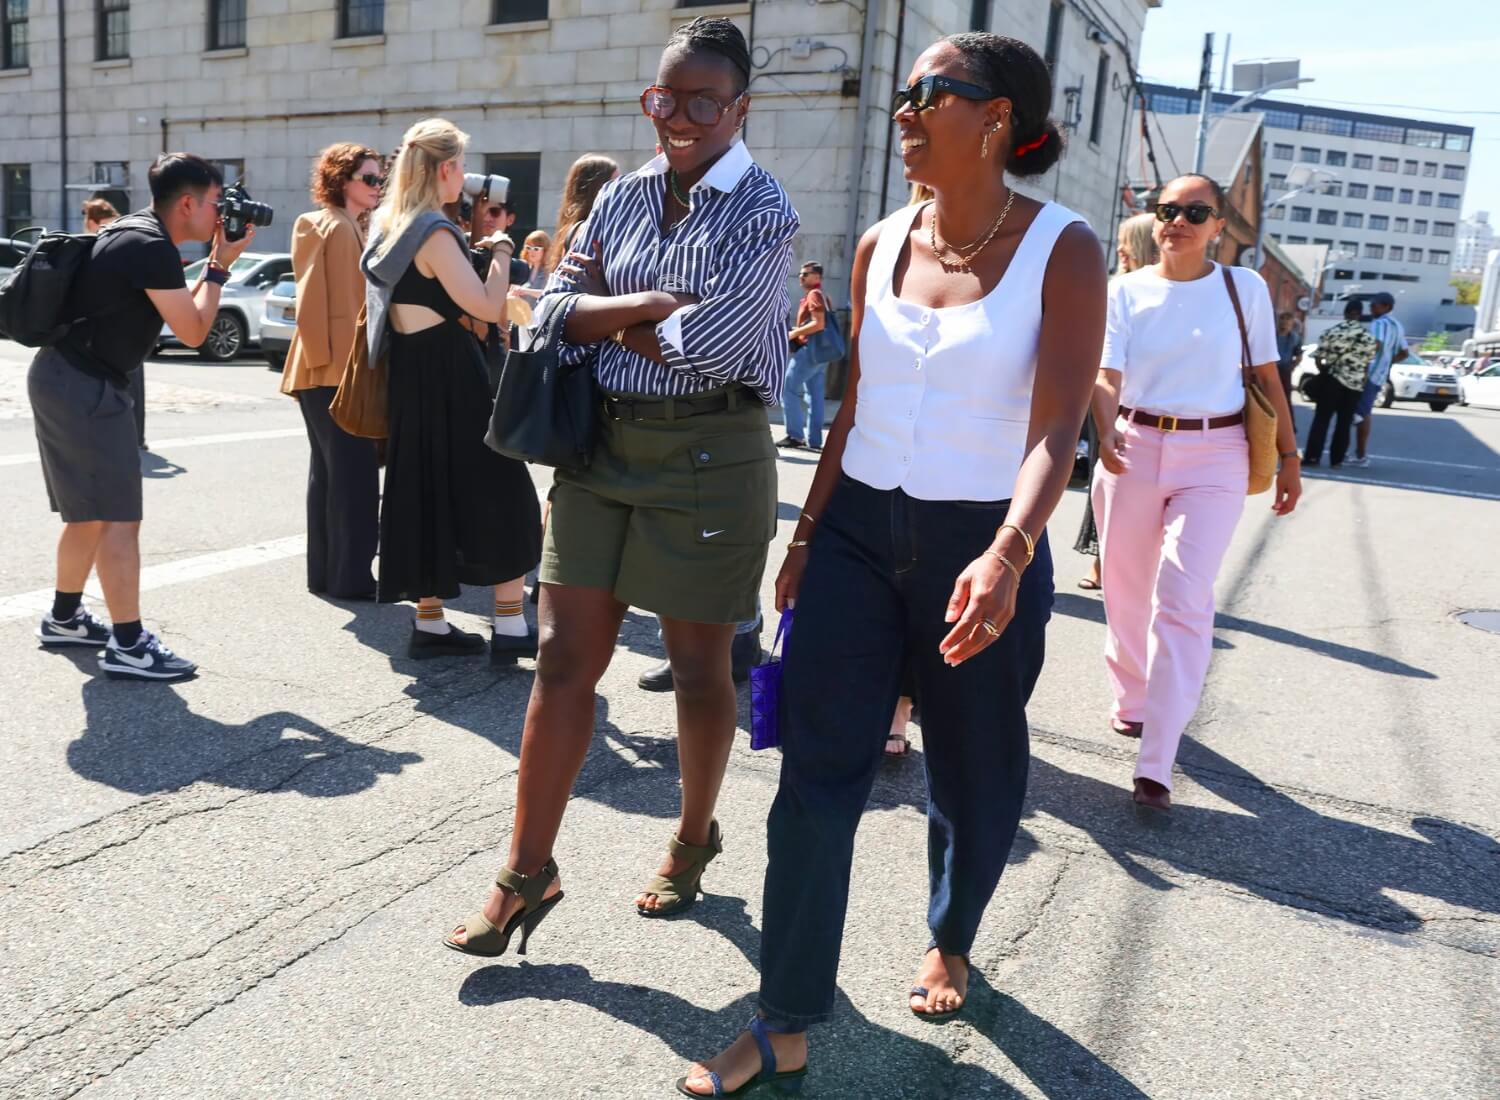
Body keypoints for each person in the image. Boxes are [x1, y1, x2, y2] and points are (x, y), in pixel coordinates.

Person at [682, 32, 1105, 1094]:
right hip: (861, 536)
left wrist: (1011, 552)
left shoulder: (1064, 246)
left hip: (983, 541)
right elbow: (859, 404)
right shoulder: (879, 243)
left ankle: (951, 932)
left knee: (972, 773)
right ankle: (784, 1017)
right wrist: (810, 532)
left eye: (931, 92)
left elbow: (1057, 428)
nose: (906, 109)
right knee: (815, 775)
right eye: (908, 91)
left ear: (997, 116)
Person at [443, 17, 798, 957]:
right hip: (600, 451)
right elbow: (547, 303)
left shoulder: (765, 210)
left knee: (697, 669)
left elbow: (716, 347)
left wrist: (599, 321)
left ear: (739, 107)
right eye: (663, 97)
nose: (678, 117)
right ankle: (526, 873)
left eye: (701, 101)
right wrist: (643, 309)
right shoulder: (628, 192)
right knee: (562, 664)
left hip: (712, 457)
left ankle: (692, 838)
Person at [1091, 172, 1302, 812]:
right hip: (1133, 447)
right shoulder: (1123, 290)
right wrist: (1103, 431)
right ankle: (1132, 696)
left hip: (1217, 453)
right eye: (1167, 209)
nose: (1177, 220)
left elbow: (1265, 374)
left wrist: (1290, 457)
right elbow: (1106, 374)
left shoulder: (1245, 289)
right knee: (1126, 591)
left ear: (1218, 226)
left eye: (1195, 211)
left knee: (1182, 596)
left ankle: (1159, 754)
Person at [31, 154, 256, 679]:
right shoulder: (152, 247)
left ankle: (65, 617)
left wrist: (214, 264)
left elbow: (187, 313)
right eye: (217, 204)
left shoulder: (135, 230)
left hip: (65, 376)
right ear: (187, 203)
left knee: (88, 514)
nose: (221, 215)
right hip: (85, 385)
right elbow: (198, 332)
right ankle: (129, 645)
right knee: (118, 519)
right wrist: (221, 264)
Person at [361, 118, 541, 662]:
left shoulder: (387, 225)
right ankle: (510, 625)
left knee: (423, 493)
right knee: (505, 489)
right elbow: (486, 308)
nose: (464, 177)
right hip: (451, 373)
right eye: (460, 165)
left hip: (410, 376)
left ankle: (431, 621)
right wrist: (504, 252)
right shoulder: (435, 232)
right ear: (443, 168)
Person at [279, 143, 384, 601]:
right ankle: (350, 577)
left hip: (338, 369)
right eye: (370, 178)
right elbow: (309, 300)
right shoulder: (320, 223)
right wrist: (326, 365)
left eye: (379, 178)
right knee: (352, 477)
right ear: (342, 179)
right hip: (330, 371)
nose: (378, 186)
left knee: (333, 475)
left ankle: (330, 575)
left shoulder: (353, 227)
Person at [1075, 211, 1156, 590]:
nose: (1120, 249)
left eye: (1128, 240)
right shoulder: (1112, 287)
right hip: (1105, 400)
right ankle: (1102, 563)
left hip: (1146, 403)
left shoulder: (1154, 292)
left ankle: (1129, 566)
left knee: (1140, 492)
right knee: (1105, 483)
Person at [1302, 300, 1378, 468]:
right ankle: (1337, 460)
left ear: (1345, 313)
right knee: (1344, 423)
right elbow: (1367, 363)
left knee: (1321, 420)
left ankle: (1312, 458)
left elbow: (1318, 358)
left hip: (1332, 381)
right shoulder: (1368, 338)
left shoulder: (1331, 332)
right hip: (1354, 386)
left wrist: (1324, 371)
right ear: (1359, 314)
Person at [777, 261, 838, 451]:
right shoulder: (824, 296)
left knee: (788, 389)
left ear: (817, 277)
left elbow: (818, 324)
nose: (801, 277)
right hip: (821, 354)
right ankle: (815, 440)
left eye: (805, 274)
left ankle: (795, 436)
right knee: (815, 397)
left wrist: (792, 334)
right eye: (800, 274)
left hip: (809, 352)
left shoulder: (814, 295)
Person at [1350, 291, 1408, 468]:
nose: (1371, 307)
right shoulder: (1398, 325)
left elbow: (1376, 344)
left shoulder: (1379, 323)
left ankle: (1360, 455)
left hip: (1369, 373)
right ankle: (1359, 453)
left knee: (1359, 413)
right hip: (1380, 375)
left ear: (1386, 307)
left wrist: (1366, 366)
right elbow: (1404, 352)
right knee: (1364, 412)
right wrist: (1388, 362)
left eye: (1375, 305)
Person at [547, 153, 620, 273]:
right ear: (596, 189)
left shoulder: (572, 228)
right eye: (615, 184)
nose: (622, 189)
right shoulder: (585, 230)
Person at [1275, 310, 1303, 402]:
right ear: (1278, 321)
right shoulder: (1271, 336)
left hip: (1285, 371)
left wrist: (1292, 367)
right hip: (1270, 370)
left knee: (1285, 399)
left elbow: (1299, 356)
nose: (1284, 321)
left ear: (1291, 323)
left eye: (1288, 319)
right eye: (1282, 318)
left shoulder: (1295, 338)